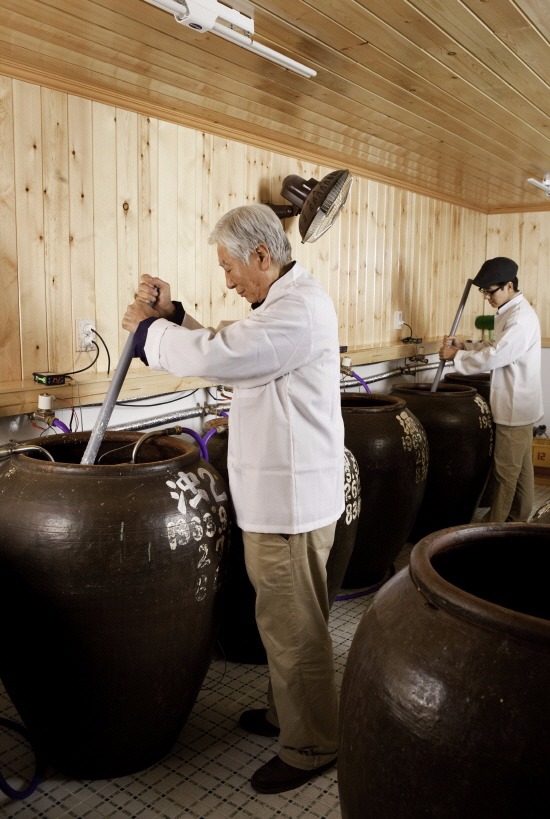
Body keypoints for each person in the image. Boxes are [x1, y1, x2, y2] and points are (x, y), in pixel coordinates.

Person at [122, 204, 344, 794]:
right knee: (286, 621)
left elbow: (225, 356)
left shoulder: (297, 310)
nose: (227, 280)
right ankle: (285, 714)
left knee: (295, 628)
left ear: (263, 257)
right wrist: (176, 316)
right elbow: (232, 347)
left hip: (290, 506)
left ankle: (311, 744)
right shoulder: (281, 308)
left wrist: (150, 334)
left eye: (229, 267)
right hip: (283, 499)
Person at [439, 256, 543, 522]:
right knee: (521, 470)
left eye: (490, 291)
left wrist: (455, 357)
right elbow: (493, 347)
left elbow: (497, 355)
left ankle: (495, 528)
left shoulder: (520, 319)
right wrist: (463, 347)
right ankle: (519, 520)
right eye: (484, 292)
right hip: (517, 403)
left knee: (505, 472)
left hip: (515, 406)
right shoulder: (509, 312)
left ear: (509, 285)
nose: (487, 297)